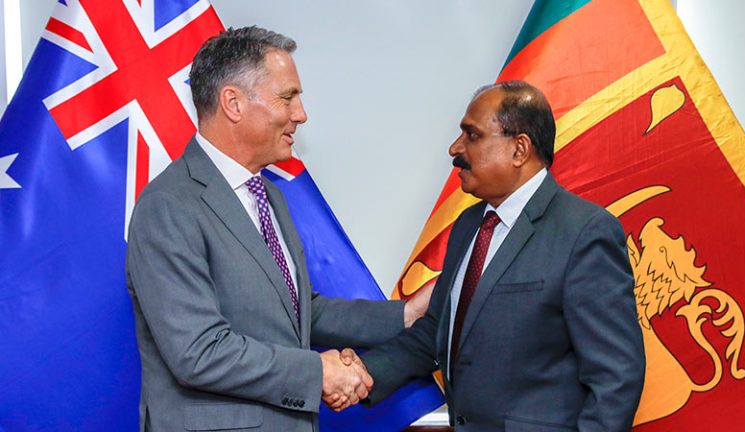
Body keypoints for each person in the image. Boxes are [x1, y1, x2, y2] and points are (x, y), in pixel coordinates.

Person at [125, 26, 430, 432]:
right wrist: (318, 372)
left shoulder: (268, 194)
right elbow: (199, 351)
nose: (301, 114)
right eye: (288, 97)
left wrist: (405, 314)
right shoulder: (169, 206)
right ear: (232, 102)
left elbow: (299, 310)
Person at [352, 81, 645, 431]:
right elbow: (437, 331)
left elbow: (616, 376)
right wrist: (363, 374)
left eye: (471, 136)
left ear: (519, 149)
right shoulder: (469, 225)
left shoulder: (585, 232)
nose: (454, 149)